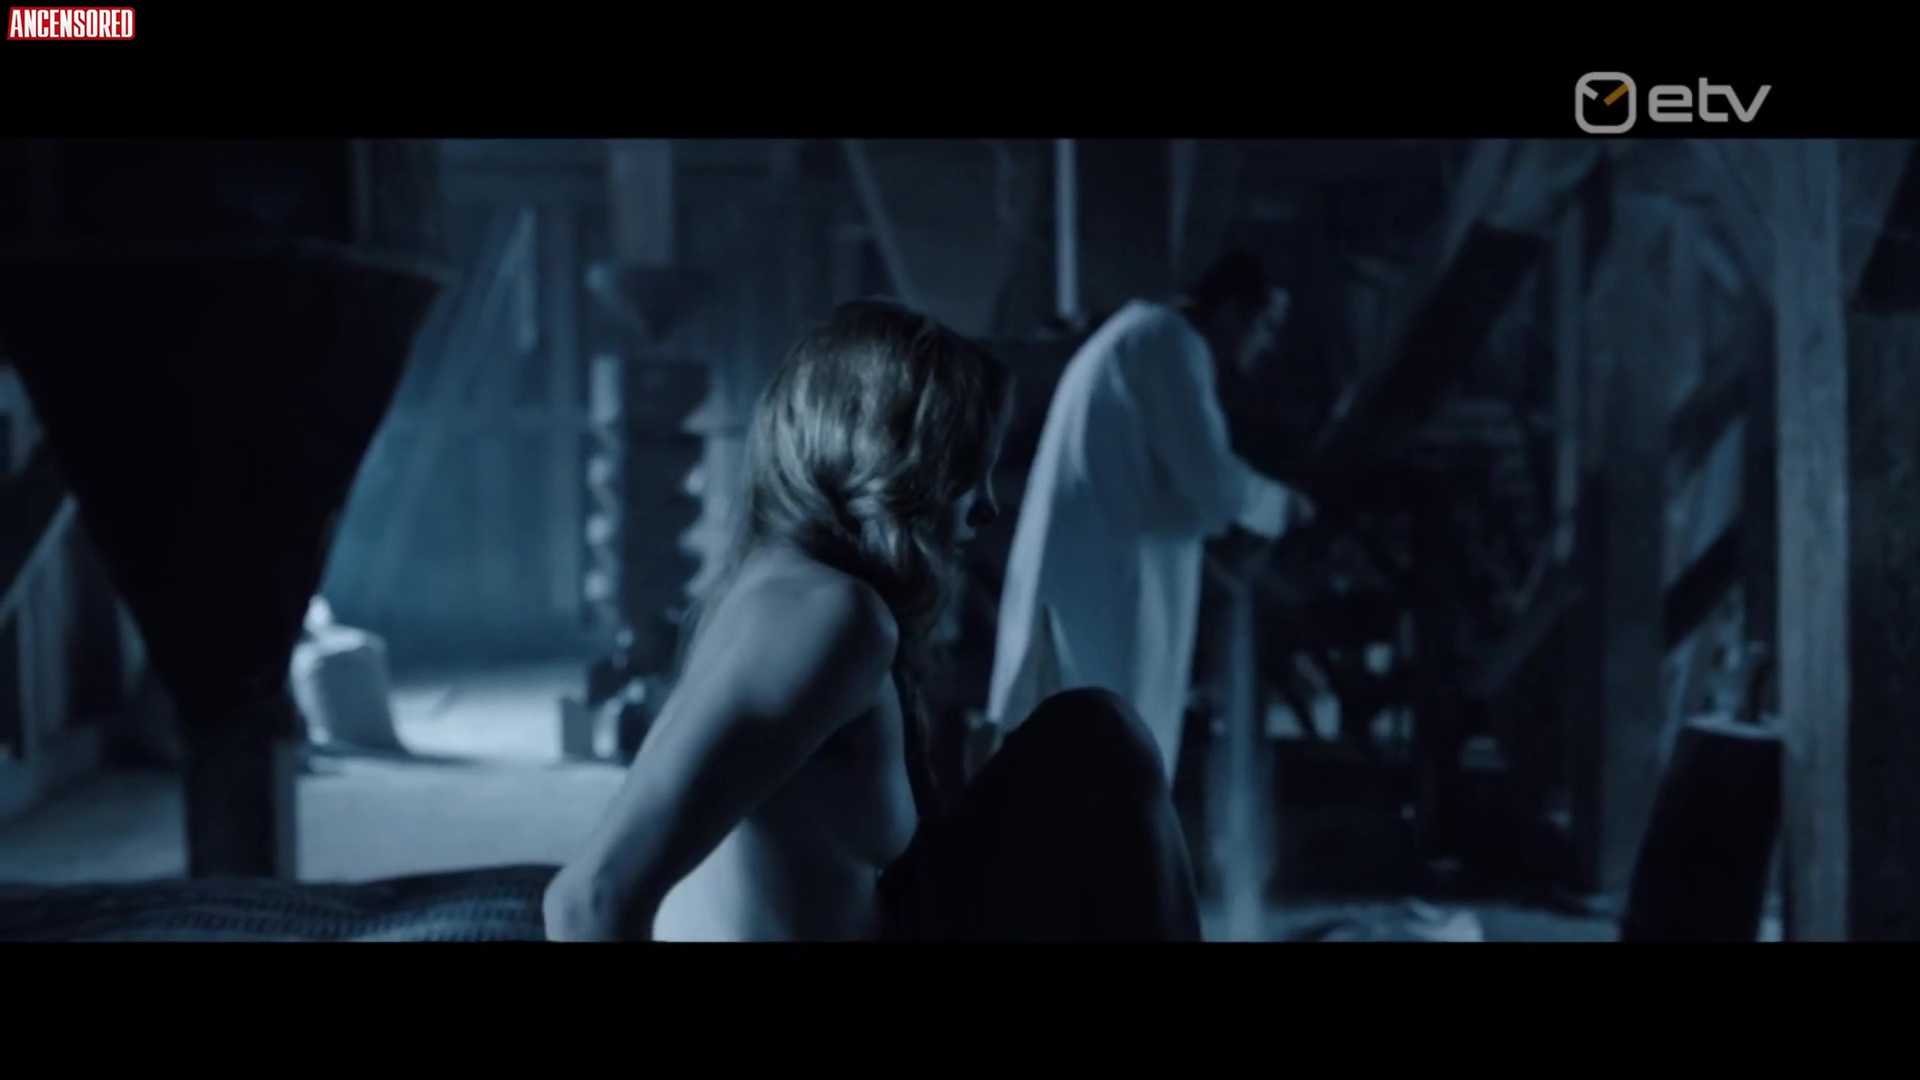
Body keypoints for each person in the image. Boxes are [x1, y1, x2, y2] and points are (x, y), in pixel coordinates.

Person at [542, 299, 1203, 942]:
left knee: (1076, 746)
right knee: (1100, 736)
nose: (988, 507)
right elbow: (587, 902)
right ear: (896, 462)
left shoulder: (766, 590)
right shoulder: (834, 618)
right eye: (965, 471)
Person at [987, 250, 1308, 782]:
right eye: (1265, 324)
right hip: (1110, 587)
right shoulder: (1167, 343)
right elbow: (1212, 482)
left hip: (1093, 579)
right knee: (1104, 763)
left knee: (1074, 761)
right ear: (1232, 310)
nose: (1266, 342)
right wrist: (1282, 506)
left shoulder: (1137, 335)